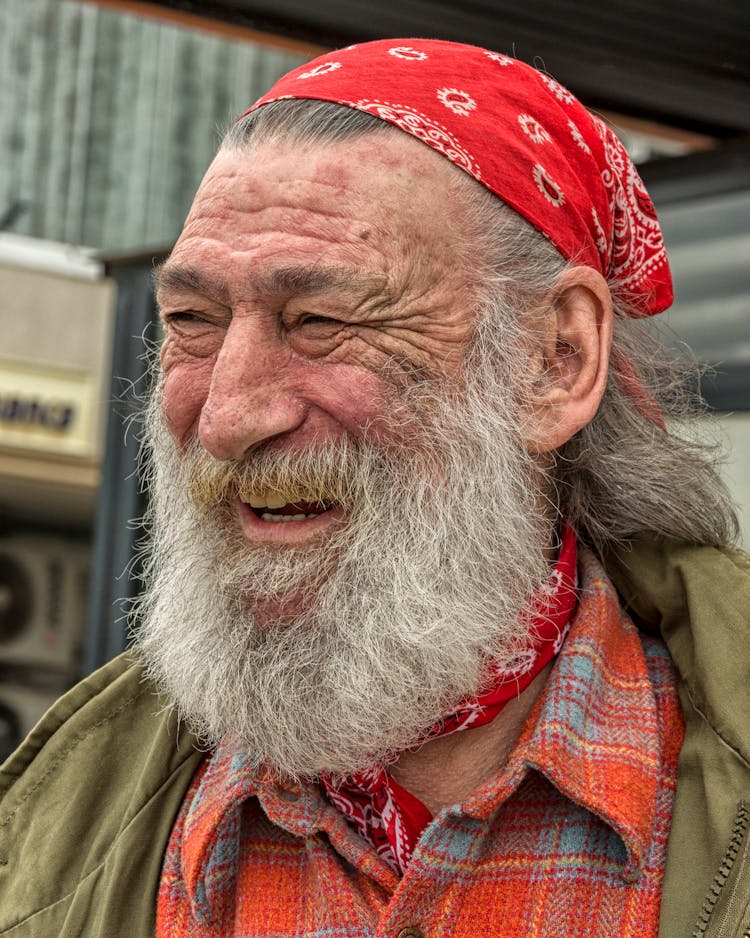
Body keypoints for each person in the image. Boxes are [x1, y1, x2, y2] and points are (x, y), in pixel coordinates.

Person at [1, 38, 748, 938]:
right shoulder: (49, 825)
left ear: (555, 360)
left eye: (320, 320)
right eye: (192, 322)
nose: (229, 416)